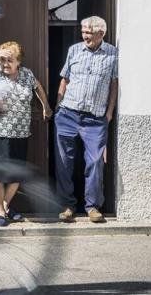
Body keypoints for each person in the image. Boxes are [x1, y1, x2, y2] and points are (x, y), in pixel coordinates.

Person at [0, 41, 52, 226]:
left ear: (19, 62)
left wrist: (46, 106)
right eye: (3, 61)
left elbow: (37, 87)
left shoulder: (27, 74)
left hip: (20, 133)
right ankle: (0, 213)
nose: (5, 64)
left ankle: (5, 206)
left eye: (9, 61)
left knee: (15, 176)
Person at [54, 16, 118, 223]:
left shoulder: (112, 53)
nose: (85, 36)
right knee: (64, 163)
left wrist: (109, 113)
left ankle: (92, 207)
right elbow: (65, 79)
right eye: (83, 32)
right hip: (68, 114)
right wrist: (57, 105)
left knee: (95, 162)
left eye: (89, 33)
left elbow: (114, 85)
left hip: (95, 119)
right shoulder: (74, 50)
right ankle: (67, 206)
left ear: (101, 33)